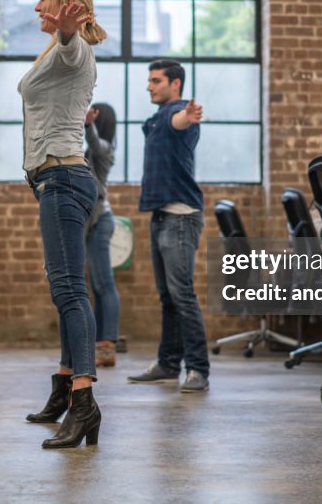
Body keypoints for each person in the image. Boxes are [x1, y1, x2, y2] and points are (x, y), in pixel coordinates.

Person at [21, 0, 106, 449]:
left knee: (71, 291)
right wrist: (62, 35)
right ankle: (64, 384)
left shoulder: (74, 50)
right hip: (55, 181)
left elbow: (74, 48)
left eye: (44, 0)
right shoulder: (56, 53)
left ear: (67, 6)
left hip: (62, 179)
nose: (37, 7)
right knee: (65, 288)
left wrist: (68, 31)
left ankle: (84, 404)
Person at [127, 59, 210, 393]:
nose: (149, 85)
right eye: (149, 80)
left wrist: (186, 117)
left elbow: (178, 121)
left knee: (182, 295)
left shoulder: (177, 113)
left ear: (175, 84)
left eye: (156, 80)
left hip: (180, 216)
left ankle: (198, 369)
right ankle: (168, 363)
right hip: (162, 215)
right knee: (167, 296)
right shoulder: (158, 117)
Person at [84, 103, 121, 367]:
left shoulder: (105, 149)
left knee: (105, 284)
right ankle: (100, 344)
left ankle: (108, 344)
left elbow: (96, 144)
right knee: (97, 286)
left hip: (100, 222)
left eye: (95, 115)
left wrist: (88, 125)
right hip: (94, 222)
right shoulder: (95, 151)